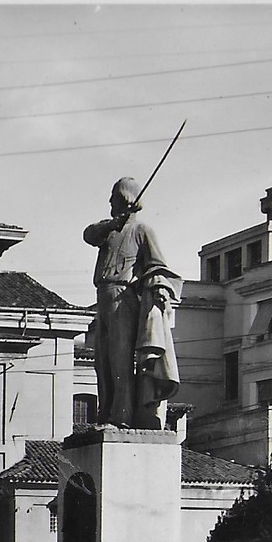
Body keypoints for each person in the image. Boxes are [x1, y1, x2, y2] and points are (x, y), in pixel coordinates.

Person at [82, 177, 182, 429]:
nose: (109, 202)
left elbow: (157, 264)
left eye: (114, 198)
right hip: (102, 298)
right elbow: (88, 235)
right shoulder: (109, 232)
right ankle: (106, 413)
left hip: (123, 299)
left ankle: (121, 416)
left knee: (119, 360)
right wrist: (111, 224)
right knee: (102, 361)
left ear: (126, 199)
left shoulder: (142, 231)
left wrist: (158, 287)